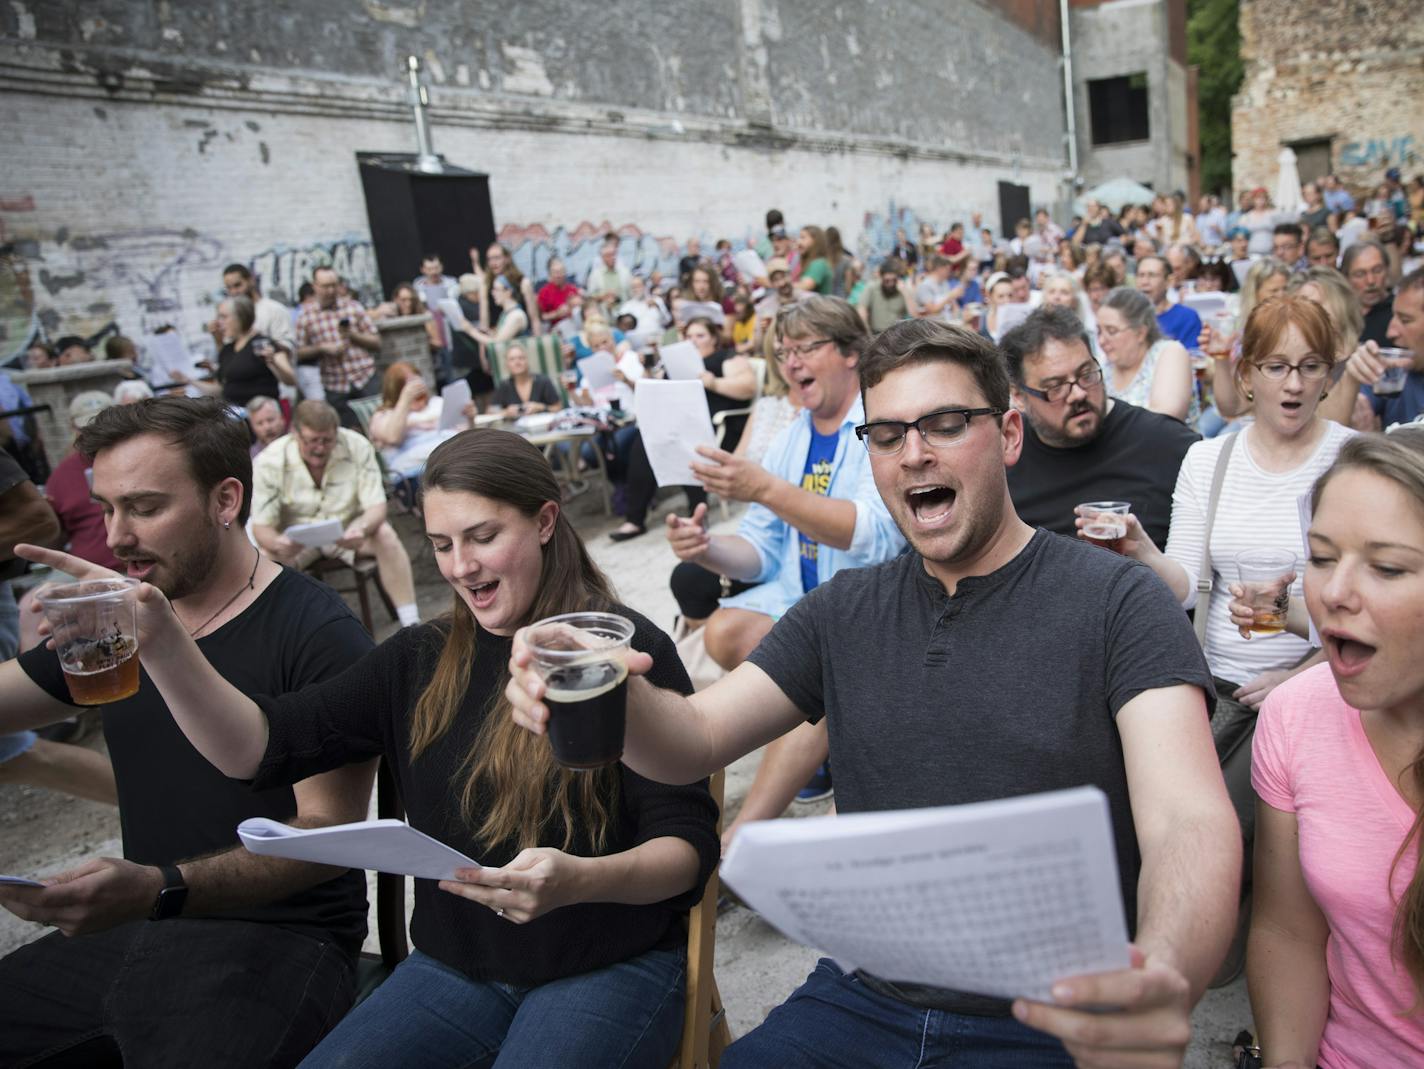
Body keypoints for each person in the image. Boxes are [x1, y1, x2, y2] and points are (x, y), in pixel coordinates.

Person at [509, 315, 1240, 1068]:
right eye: (887, 435)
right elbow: (692, 738)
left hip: (1058, 1008)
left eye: (946, 423)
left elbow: (1190, 822)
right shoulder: (842, 610)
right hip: (862, 997)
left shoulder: (1118, 599)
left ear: (1011, 435)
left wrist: (1160, 974)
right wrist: (605, 686)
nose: (914, 452)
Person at [107, 429, 720, 1068]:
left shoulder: (619, 652)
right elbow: (259, 748)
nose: (460, 566)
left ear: (544, 521)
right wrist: (163, 645)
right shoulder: (417, 658)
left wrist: (581, 881)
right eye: (441, 545)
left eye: (483, 537)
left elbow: (688, 849)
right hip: (454, 969)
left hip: (611, 962)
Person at [0, 396, 374, 1066]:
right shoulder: (115, 617)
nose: (115, 537)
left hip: (279, 938)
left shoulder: (316, 631)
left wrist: (160, 884)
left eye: (144, 507)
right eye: (107, 508)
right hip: (134, 923)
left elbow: (328, 836)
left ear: (225, 500)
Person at [1246, 430, 1424, 1067]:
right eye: (1322, 557)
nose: (1335, 595)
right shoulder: (1298, 714)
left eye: (1388, 567)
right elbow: (1288, 931)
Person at [1001, 307, 1198, 550]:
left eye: (1087, 374)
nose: (1078, 394)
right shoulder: (1004, 465)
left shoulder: (1166, 443)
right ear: (1019, 396)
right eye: (1055, 387)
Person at [251, 399, 421, 629]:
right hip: (298, 541)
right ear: (295, 433)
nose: (320, 448)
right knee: (263, 557)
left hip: (347, 530)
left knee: (385, 534)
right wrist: (278, 542)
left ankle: (411, 622)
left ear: (336, 432)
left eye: (327, 440)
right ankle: (284, 636)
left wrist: (362, 528)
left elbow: (376, 506)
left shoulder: (356, 445)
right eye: (312, 441)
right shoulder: (269, 461)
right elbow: (261, 527)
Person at [611, 318, 757, 542]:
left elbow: (749, 388)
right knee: (645, 439)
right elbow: (656, 392)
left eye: (700, 336)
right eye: (689, 337)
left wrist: (714, 383)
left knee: (684, 438)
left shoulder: (724, 358)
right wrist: (649, 369)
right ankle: (635, 519)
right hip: (679, 425)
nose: (694, 341)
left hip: (719, 428)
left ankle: (697, 513)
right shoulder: (676, 365)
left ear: (714, 338)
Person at [1321, 267, 1424, 430]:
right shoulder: (1393, 374)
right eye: (1393, 316)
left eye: (1405, 320)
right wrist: (1351, 377)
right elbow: (1324, 430)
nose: (1391, 332)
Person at [294, 265, 380, 427]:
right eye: (326, 286)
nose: (331, 290)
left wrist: (352, 335)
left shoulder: (353, 307)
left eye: (334, 285)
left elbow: (376, 342)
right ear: (315, 286)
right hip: (335, 384)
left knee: (378, 425)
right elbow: (298, 352)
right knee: (347, 431)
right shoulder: (305, 315)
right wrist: (322, 348)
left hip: (365, 377)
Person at [1097, 287, 1196, 424]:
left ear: (1140, 333)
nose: (1101, 340)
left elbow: (1166, 418)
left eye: (1111, 331)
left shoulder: (1170, 352)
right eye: (1099, 331)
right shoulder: (1104, 366)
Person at [188, 295, 296, 407]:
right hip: (235, 416)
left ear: (240, 317)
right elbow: (221, 388)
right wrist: (188, 381)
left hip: (261, 417)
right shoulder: (228, 349)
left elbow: (291, 380)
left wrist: (273, 362)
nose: (218, 323)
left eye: (224, 317)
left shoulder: (262, 344)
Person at [368, 362, 469, 479]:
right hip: (416, 471)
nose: (416, 389)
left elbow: (463, 432)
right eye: (410, 386)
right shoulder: (384, 415)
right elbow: (392, 437)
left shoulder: (437, 403)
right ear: (397, 391)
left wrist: (469, 417)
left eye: (418, 382)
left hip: (453, 460)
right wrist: (405, 400)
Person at [217, 263, 298, 368]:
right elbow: (230, 357)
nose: (234, 292)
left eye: (238, 285)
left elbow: (288, 349)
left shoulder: (274, 310)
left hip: (274, 380)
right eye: (229, 288)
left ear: (251, 281)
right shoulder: (231, 316)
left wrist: (259, 341)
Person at [1136, 254, 1202, 348]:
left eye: (1152, 275)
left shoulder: (1186, 317)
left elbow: (1191, 357)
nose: (1144, 282)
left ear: (1169, 281)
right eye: (1140, 275)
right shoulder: (1127, 317)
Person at [1341, 239, 1395, 346]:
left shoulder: (1399, 313)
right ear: (1346, 278)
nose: (1370, 281)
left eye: (1377, 270)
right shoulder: (1340, 316)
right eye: (1360, 274)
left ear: (1387, 270)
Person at [488, 342, 562, 418]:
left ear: (527, 361)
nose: (517, 362)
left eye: (521, 358)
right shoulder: (505, 385)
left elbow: (559, 408)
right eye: (512, 359)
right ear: (507, 364)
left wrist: (541, 407)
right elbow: (490, 411)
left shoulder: (543, 381)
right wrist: (506, 412)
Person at [857, 257, 916, 332]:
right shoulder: (871, 287)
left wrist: (905, 293)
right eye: (887, 281)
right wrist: (866, 333)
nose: (891, 284)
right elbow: (862, 311)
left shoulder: (903, 289)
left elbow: (914, 315)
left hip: (896, 333)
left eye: (894, 280)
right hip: (876, 333)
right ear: (881, 278)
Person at [585, 232, 633, 311]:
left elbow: (631, 294)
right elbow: (590, 296)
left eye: (614, 254)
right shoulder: (595, 275)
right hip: (603, 313)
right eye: (609, 255)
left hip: (623, 312)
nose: (613, 257)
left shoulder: (625, 272)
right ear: (603, 257)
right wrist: (604, 296)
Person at [536, 257, 581, 334]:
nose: (558, 276)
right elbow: (540, 318)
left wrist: (578, 304)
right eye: (555, 272)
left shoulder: (573, 289)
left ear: (565, 273)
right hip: (555, 328)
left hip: (575, 324)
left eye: (561, 272)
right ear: (550, 275)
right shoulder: (544, 292)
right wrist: (557, 314)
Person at [794, 226, 832, 294]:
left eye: (803, 238)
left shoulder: (819, 264)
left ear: (815, 240)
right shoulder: (812, 263)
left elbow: (804, 286)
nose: (798, 242)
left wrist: (780, 284)